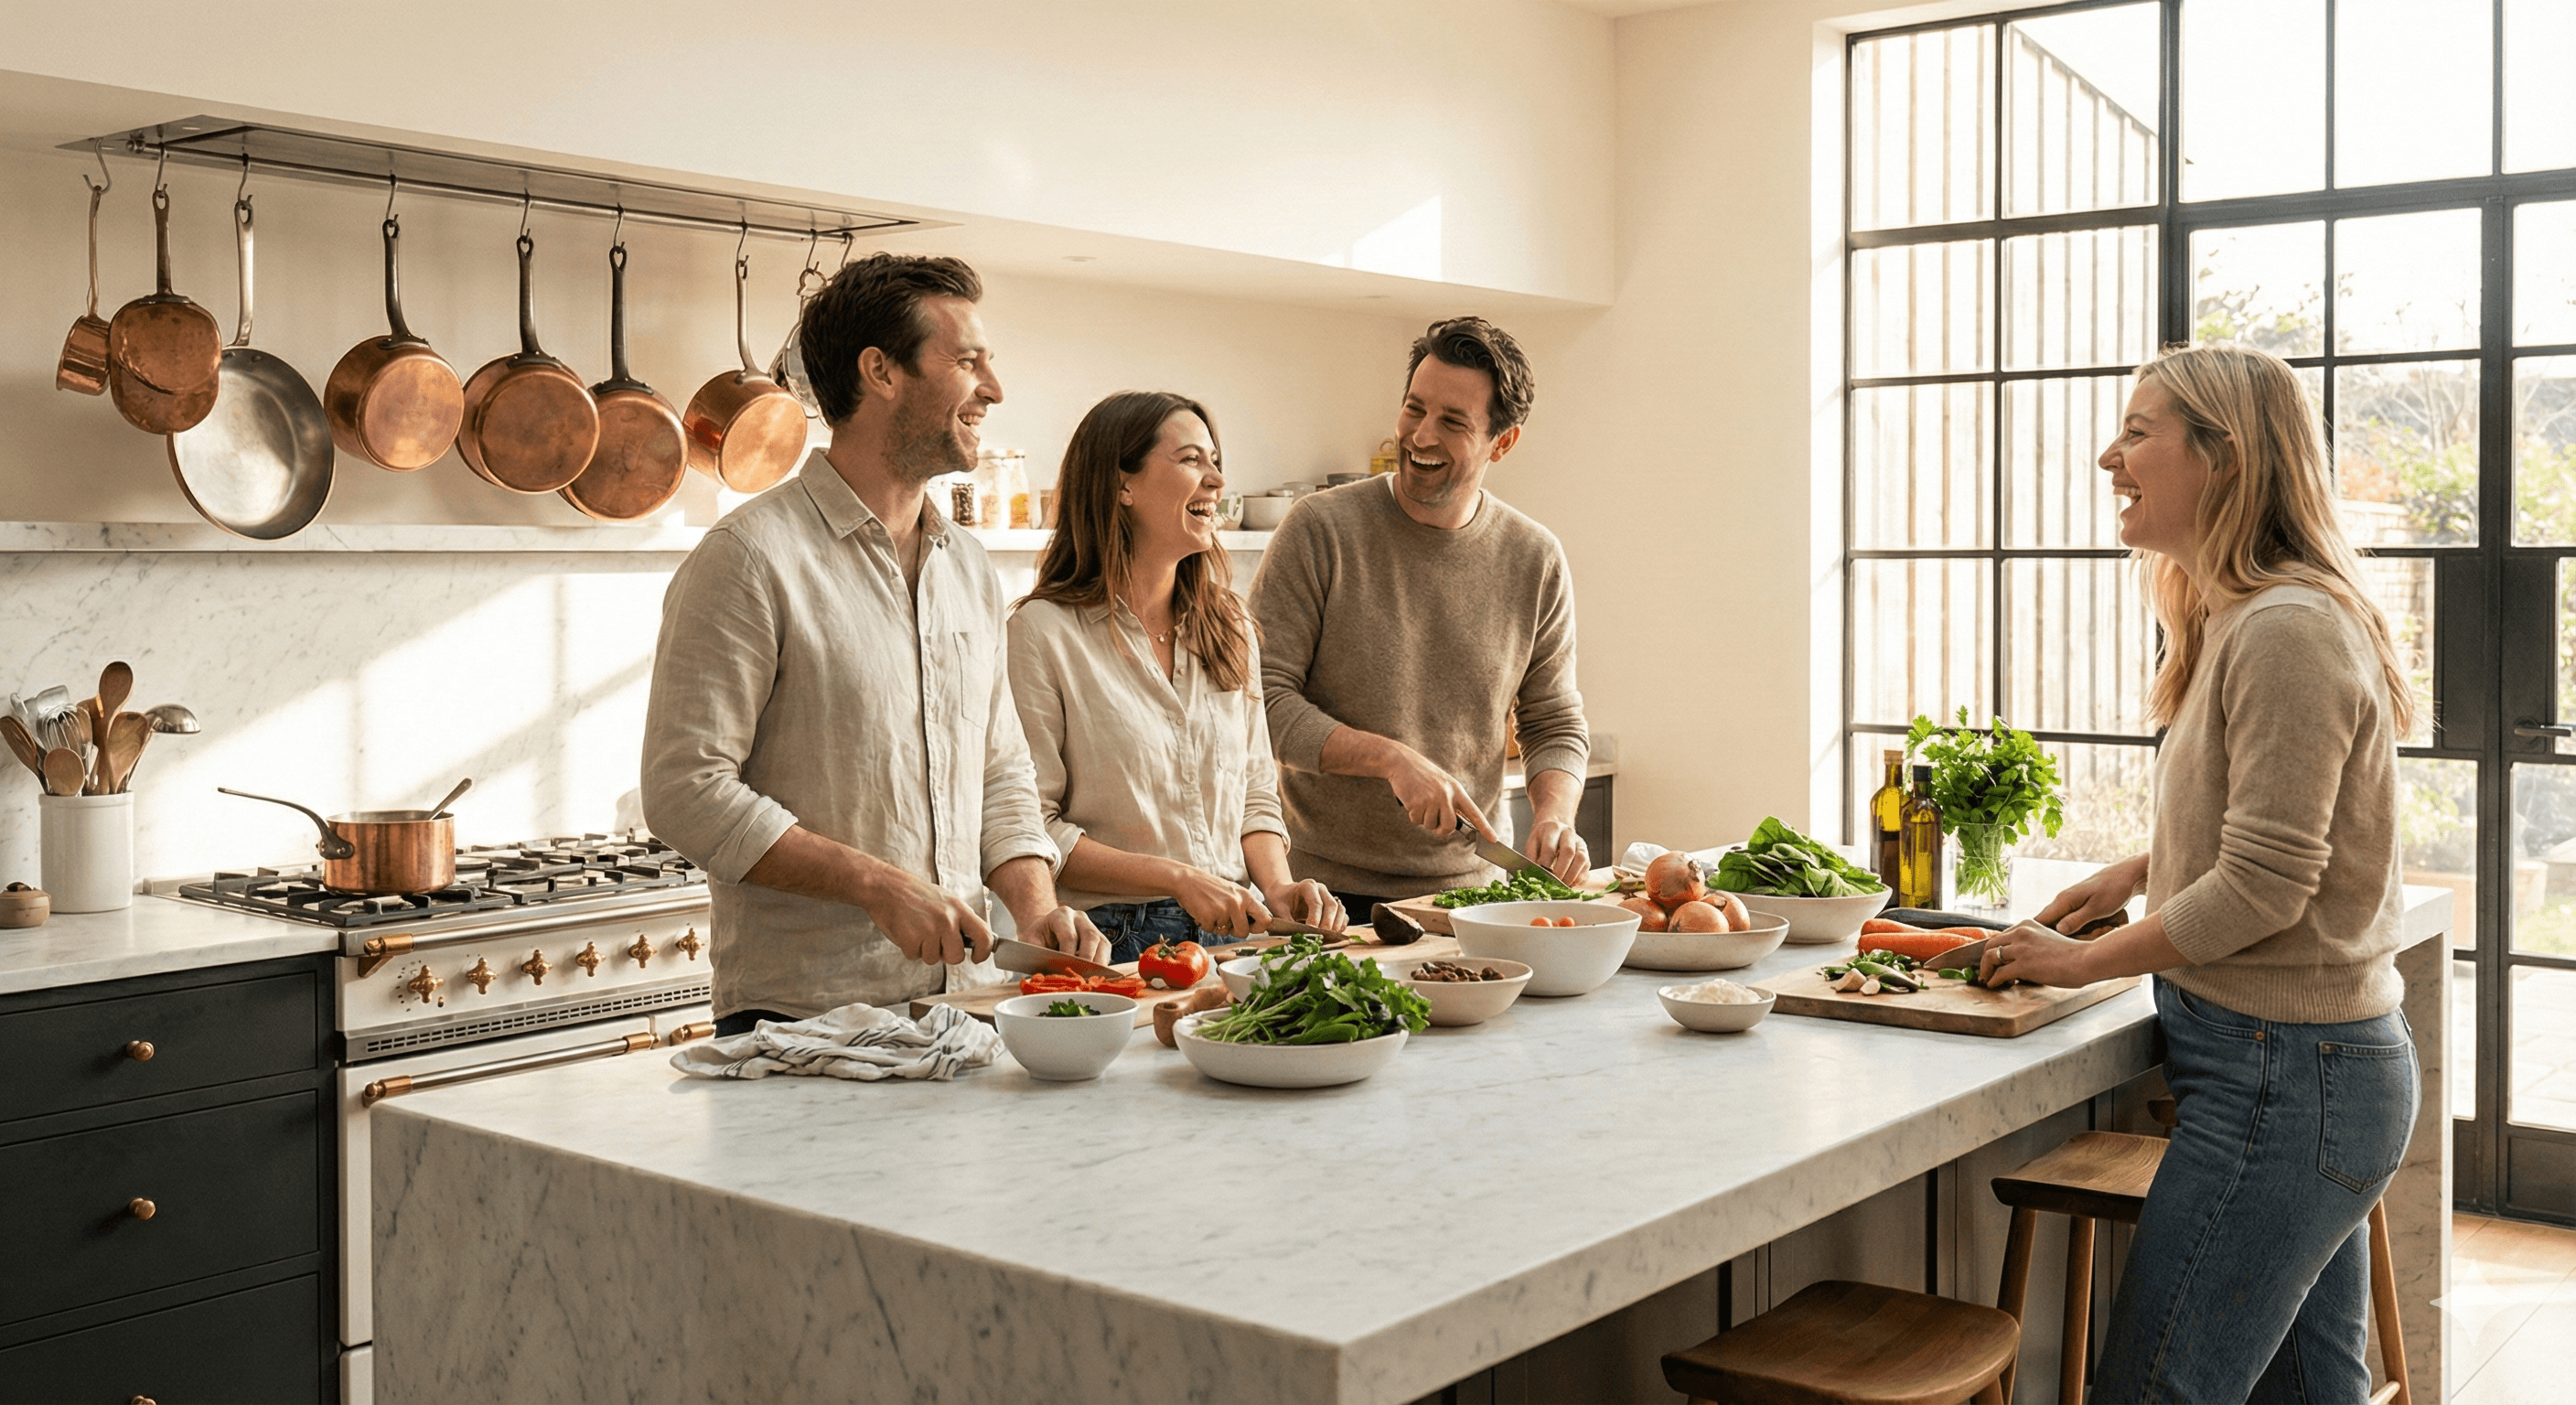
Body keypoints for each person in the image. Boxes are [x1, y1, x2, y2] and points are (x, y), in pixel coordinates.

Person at [1978, 345, 2421, 1402]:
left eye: (2136, 432)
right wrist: (2138, 870)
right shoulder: (2242, 617)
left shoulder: (2284, 630)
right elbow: (2263, 832)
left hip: (2286, 1081)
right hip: (2296, 1076)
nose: (2106, 456)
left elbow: (2266, 888)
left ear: (2222, 458)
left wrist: (2080, 963)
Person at [641, 252, 1107, 1037]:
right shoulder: (750, 558)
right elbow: (685, 790)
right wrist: (877, 886)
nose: (994, 388)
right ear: (880, 372)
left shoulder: (966, 566)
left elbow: (999, 771)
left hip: (963, 1008)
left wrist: (1036, 908)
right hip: (804, 1021)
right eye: (966, 362)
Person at [1249, 316, 1590, 926]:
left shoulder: (1534, 557)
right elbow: (1261, 705)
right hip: (1327, 900)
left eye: (1453, 422)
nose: (1420, 436)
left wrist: (1554, 817)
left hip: (1478, 896)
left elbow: (1555, 721)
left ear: (1502, 443)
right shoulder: (1319, 530)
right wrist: (1390, 759)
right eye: (1414, 409)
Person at [1008, 391, 1346, 961]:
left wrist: (1280, 886)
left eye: (1215, 462)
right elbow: (1034, 827)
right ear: (1123, 486)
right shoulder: (1042, 632)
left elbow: (1256, 796)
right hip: (1108, 941)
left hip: (1234, 931)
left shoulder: (1230, 625)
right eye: (1191, 460)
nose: (1216, 480)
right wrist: (1178, 878)